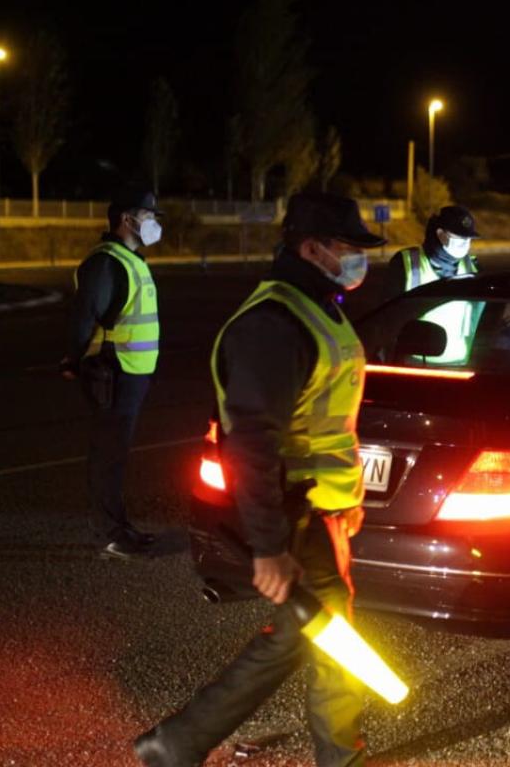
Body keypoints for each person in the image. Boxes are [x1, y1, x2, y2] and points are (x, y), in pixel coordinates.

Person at [133, 192, 384, 767]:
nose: (357, 259)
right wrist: (269, 547)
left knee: (328, 631)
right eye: (347, 248)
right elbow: (251, 443)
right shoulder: (273, 324)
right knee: (307, 633)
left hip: (322, 509)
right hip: (293, 514)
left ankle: (339, 750)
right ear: (311, 248)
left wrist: (345, 498)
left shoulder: (318, 306)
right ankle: (178, 742)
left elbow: (326, 421)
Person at [60, 189, 163, 560]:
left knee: (116, 454)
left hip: (132, 373)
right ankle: (109, 534)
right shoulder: (106, 262)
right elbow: (84, 316)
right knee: (108, 454)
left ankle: (121, 527)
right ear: (126, 219)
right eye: (148, 215)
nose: (154, 222)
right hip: (112, 371)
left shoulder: (129, 259)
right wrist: (73, 359)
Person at [381, 205, 481, 302]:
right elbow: (389, 313)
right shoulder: (404, 263)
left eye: (468, 238)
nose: (465, 241)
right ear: (440, 234)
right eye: (459, 236)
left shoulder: (472, 266)